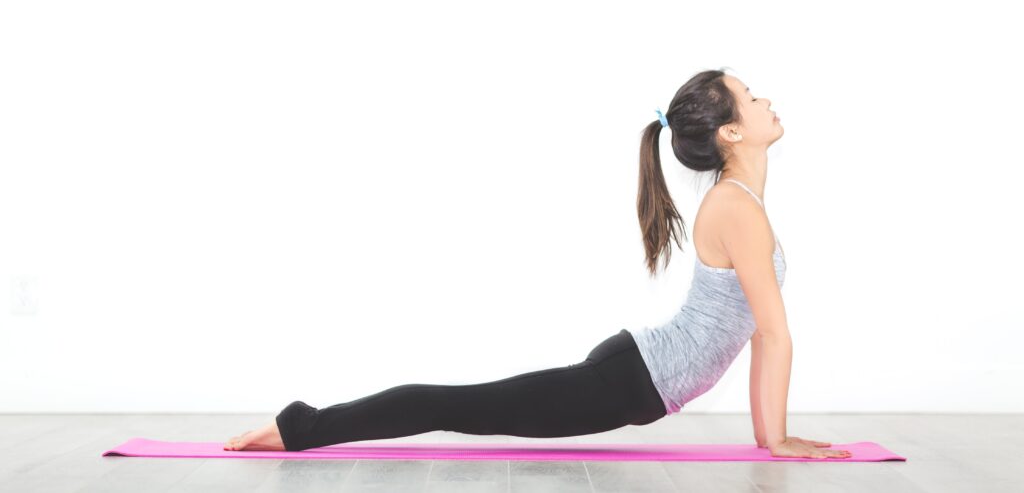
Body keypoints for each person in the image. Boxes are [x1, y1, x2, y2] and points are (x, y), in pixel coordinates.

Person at [224, 67, 851, 459]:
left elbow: (766, 337)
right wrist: (777, 441)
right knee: (455, 405)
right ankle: (303, 427)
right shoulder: (738, 208)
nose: (767, 100)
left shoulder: (739, 203)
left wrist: (772, 440)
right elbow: (771, 333)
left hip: (636, 371)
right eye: (751, 95)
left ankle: (305, 426)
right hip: (631, 379)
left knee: (464, 405)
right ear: (732, 133)